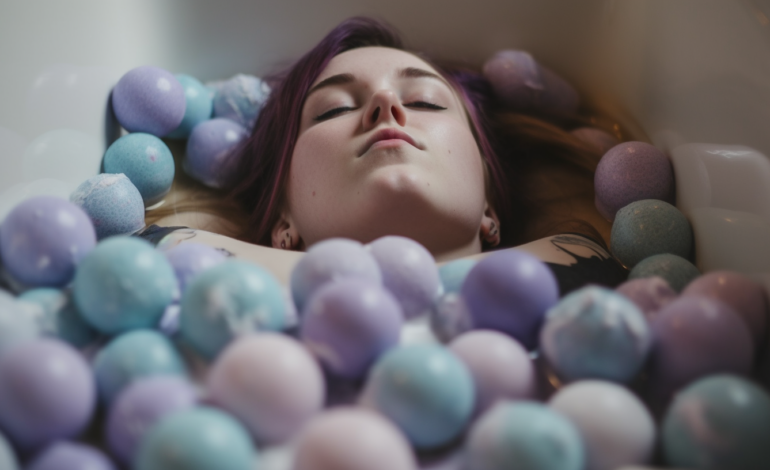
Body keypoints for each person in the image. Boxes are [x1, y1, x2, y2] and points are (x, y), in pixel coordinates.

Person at [148, 17, 627, 291]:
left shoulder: (587, 269)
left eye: (424, 101)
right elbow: (157, 248)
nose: (387, 104)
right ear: (282, 219)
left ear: (490, 205)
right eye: (333, 109)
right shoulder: (170, 265)